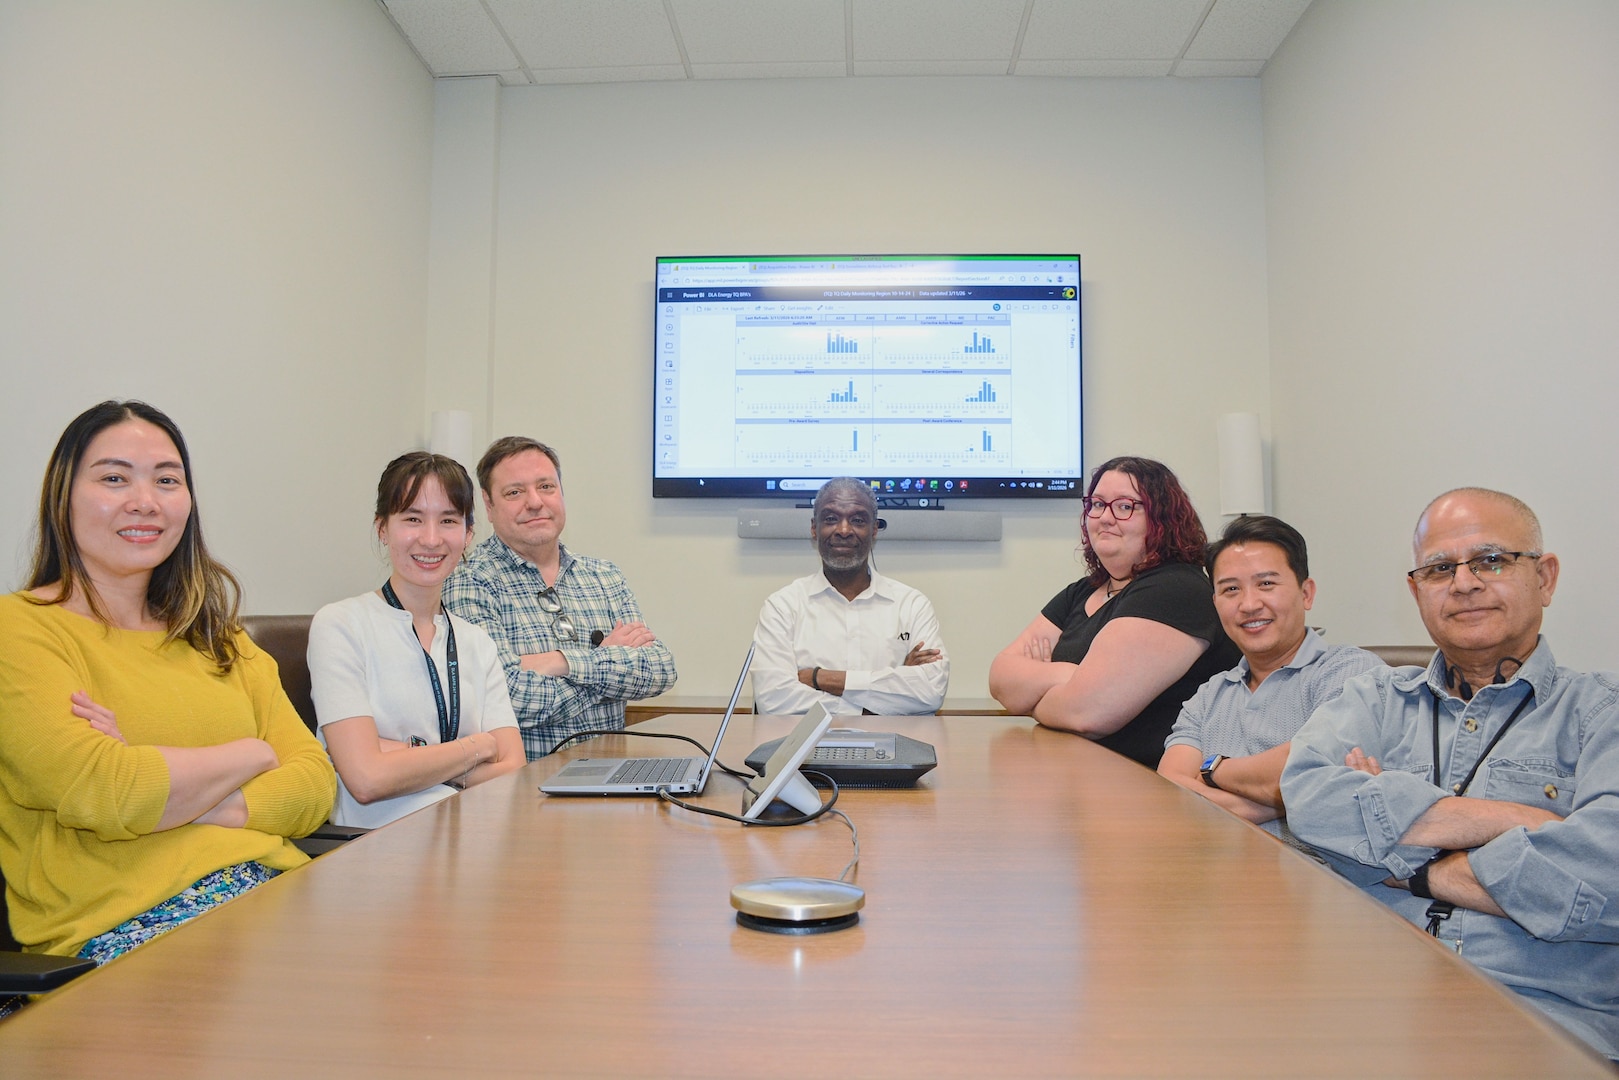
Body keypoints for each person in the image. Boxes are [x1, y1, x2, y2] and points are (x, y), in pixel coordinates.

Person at [1281, 489, 1619, 1059]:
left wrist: (1412, 867)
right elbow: (1309, 799)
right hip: (1364, 1000)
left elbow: (1607, 872)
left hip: (1545, 1021)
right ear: (1417, 590)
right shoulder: (1375, 699)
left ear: (1546, 577)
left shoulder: (1602, 713)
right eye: (1440, 568)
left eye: (1491, 560)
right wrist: (1521, 822)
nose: (1464, 583)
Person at [0, 401, 335, 970]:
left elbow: (314, 784)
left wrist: (177, 794)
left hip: (283, 895)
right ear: (64, 496)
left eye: (166, 480)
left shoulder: (218, 637)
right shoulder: (22, 630)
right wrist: (253, 753)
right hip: (130, 930)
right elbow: (109, 791)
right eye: (113, 478)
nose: (145, 501)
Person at [308, 453, 525, 828]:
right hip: (376, 849)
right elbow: (366, 779)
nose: (430, 538)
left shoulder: (476, 643)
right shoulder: (341, 625)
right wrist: (478, 747)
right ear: (382, 528)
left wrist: (401, 755)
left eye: (448, 521)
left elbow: (512, 769)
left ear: (468, 534)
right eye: (412, 519)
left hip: (470, 836)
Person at [988, 456, 1239, 767]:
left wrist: (1032, 699)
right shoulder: (1082, 591)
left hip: (1155, 789)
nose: (1105, 517)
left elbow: (1087, 714)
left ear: (1163, 518)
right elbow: (1000, 677)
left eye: (1124, 506)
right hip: (1080, 774)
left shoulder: (1175, 589)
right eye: (1097, 504)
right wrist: (1070, 676)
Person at [443, 436, 676, 758]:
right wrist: (607, 663)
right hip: (523, 793)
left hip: (613, 781)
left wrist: (559, 662)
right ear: (488, 505)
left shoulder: (604, 576)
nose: (535, 502)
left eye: (546, 487)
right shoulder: (467, 580)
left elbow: (659, 670)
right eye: (515, 492)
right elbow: (508, 698)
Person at [1157, 515, 1384, 837]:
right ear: (1216, 603)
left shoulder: (1352, 672)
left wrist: (1212, 769)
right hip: (1212, 873)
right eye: (1231, 589)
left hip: (1321, 879)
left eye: (1266, 584)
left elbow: (1317, 772)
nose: (1249, 604)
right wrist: (1283, 803)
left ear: (1306, 593)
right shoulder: (1210, 695)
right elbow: (1170, 791)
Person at [751, 477, 948, 716]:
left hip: (894, 747)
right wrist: (877, 704)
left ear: (874, 529)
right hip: (808, 749)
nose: (844, 530)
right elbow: (774, 700)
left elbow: (929, 691)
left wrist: (819, 677)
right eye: (831, 519)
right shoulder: (782, 607)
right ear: (815, 528)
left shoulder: (911, 605)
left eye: (857, 520)